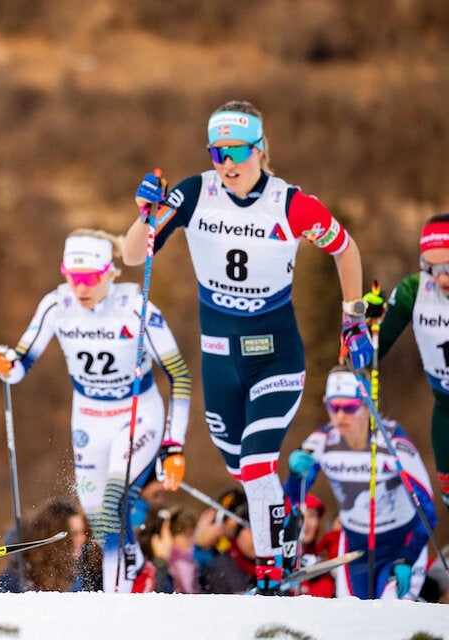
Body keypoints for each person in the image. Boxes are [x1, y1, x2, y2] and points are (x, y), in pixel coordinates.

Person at [125, 100, 373, 595]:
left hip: (276, 356)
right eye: (219, 152)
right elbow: (134, 254)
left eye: (238, 151)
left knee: (259, 463)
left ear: (261, 149)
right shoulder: (196, 192)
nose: (229, 164)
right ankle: (282, 522)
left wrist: (353, 319)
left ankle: (274, 569)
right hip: (220, 360)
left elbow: (345, 248)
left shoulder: (290, 203)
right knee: (242, 469)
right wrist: (143, 215)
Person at [0, 229, 192, 592]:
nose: (81, 287)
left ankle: (118, 592)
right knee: (100, 517)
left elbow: (178, 374)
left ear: (110, 274)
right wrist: (5, 363)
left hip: (136, 413)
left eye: (91, 279)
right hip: (88, 419)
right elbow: (20, 365)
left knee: (115, 498)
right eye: (73, 277)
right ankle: (135, 568)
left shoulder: (136, 308)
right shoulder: (57, 306)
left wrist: (174, 445)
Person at [285, 367, 435, 600]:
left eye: (349, 407)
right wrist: (295, 475)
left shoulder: (393, 442)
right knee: (354, 621)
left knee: (392, 621)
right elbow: (291, 499)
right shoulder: (322, 441)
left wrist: (407, 556)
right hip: (355, 548)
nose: (340, 416)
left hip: (400, 544)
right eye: (333, 407)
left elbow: (427, 510)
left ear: (366, 405)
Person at [372, 213, 449, 518]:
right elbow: (372, 352)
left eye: (447, 268)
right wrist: (361, 328)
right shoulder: (414, 290)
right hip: (445, 409)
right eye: (431, 268)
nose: (441, 278)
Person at [0, 500, 103, 593]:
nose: (82, 539)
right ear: (54, 536)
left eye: (83, 532)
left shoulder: (86, 566)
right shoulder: (18, 576)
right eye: (74, 533)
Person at [137, 505, 201, 594]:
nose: (191, 541)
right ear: (169, 536)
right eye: (186, 536)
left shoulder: (191, 567)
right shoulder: (154, 566)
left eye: (193, 535)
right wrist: (161, 560)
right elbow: (155, 598)